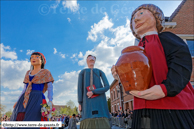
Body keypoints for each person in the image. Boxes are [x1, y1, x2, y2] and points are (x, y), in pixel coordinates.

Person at [111, 4, 194, 129]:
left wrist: (166, 88)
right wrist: (121, 75)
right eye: (133, 19)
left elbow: (182, 63)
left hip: (173, 107)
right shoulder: (134, 49)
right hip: (142, 109)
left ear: (156, 16)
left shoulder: (166, 38)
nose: (136, 20)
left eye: (141, 14)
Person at [9, 52, 54, 123]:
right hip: (24, 99)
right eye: (32, 57)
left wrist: (50, 100)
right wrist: (18, 100)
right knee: (19, 118)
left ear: (42, 61)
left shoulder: (46, 72)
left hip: (38, 98)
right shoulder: (27, 73)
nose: (33, 58)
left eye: (37, 57)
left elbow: (50, 87)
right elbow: (24, 89)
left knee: (35, 118)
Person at [78, 55, 110, 129]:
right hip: (87, 106)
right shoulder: (83, 72)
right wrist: (80, 102)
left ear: (95, 61)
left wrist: (94, 92)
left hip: (101, 104)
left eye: (93, 59)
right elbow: (80, 88)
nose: (91, 60)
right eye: (89, 58)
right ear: (86, 61)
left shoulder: (100, 72)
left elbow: (107, 86)